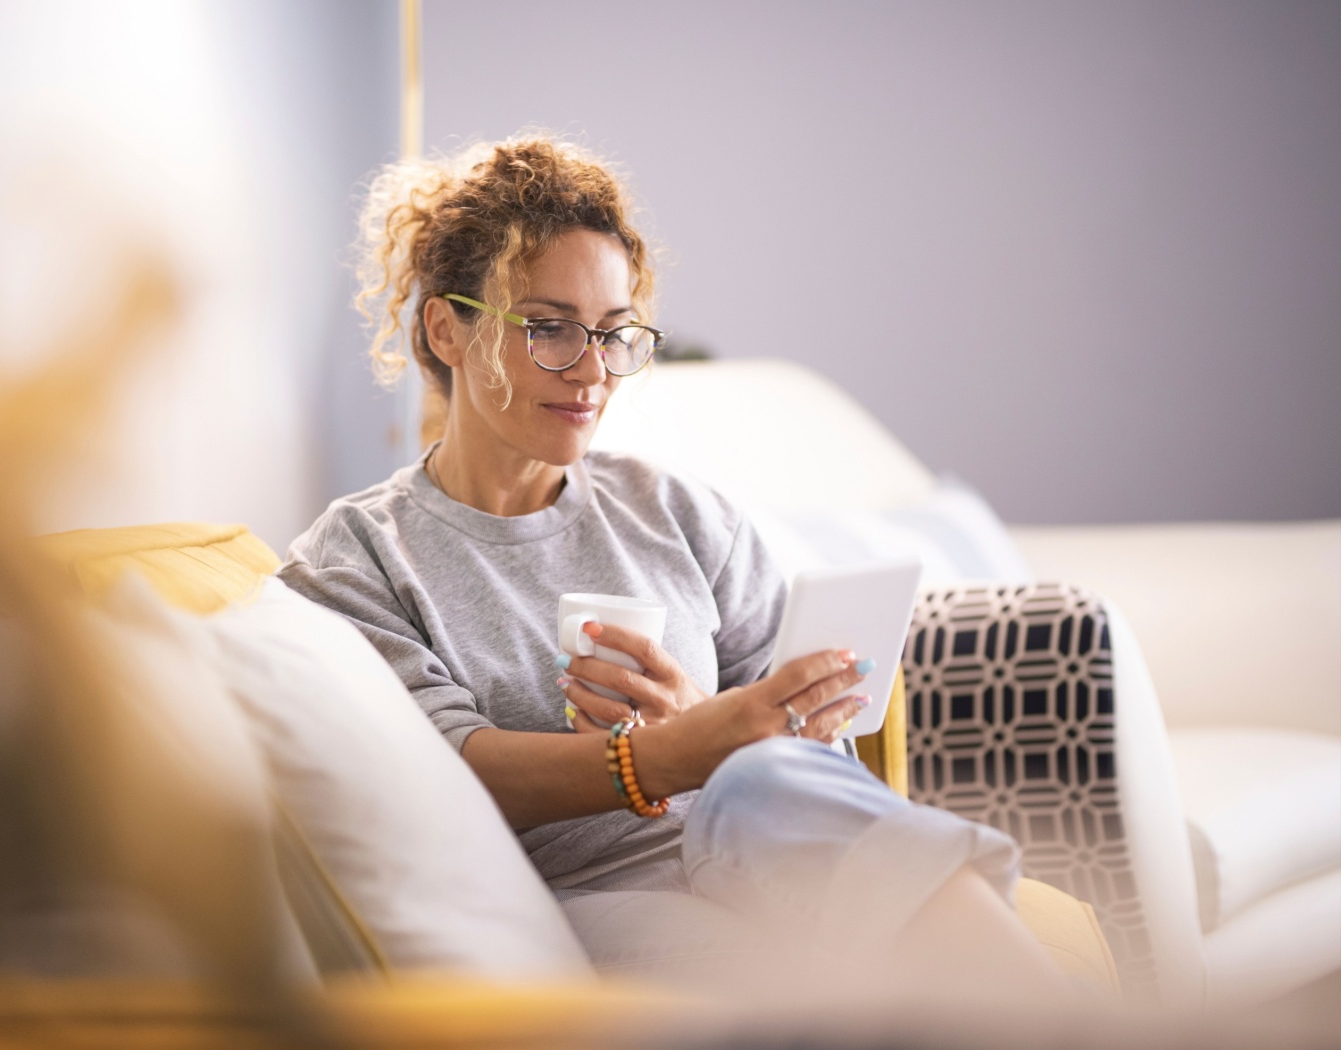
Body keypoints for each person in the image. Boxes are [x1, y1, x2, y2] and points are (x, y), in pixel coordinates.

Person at [278, 137, 1069, 1002]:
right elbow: (445, 771)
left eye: (615, 336)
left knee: (772, 783)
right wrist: (665, 755)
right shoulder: (358, 557)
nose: (590, 372)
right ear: (446, 328)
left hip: (763, 846)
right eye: (547, 328)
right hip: (592, 894)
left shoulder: (680, 514)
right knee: (814, 979)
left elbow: (815, 761)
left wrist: (713, 728)